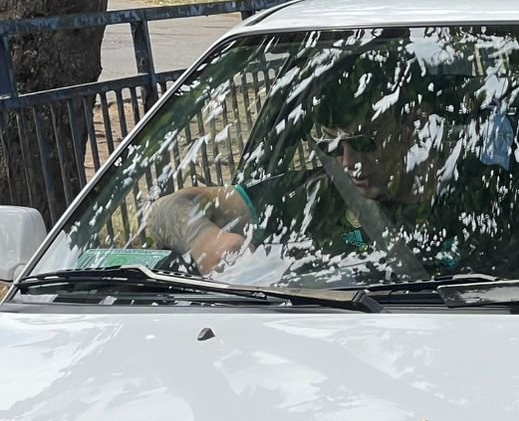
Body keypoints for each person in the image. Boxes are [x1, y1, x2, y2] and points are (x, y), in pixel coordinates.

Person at [145, 91, 463, 280]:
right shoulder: (315, 195)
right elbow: (163, 210)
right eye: (335, 149)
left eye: (365, 142)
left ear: (413, 129)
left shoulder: (473, 197)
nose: (349, 162)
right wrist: (205, 239)